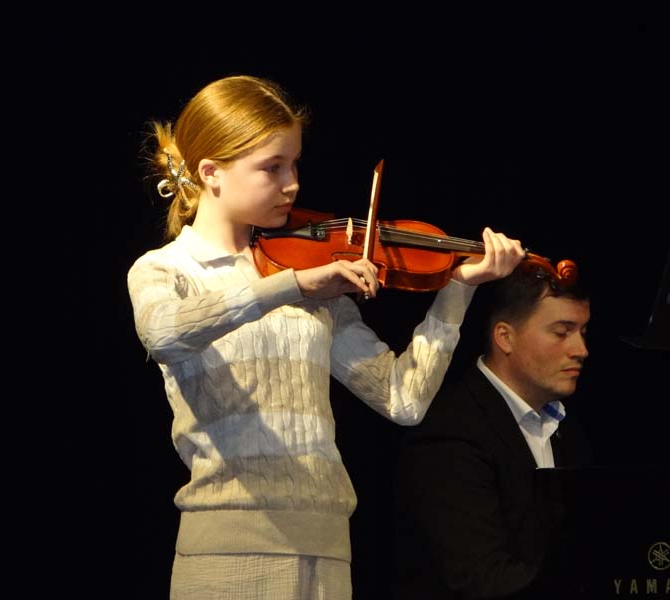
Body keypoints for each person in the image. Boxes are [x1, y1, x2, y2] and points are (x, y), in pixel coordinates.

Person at [127, 74, 525, 599]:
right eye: (272, 167)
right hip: (227, 554)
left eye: (295, 164)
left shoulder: (309, 275)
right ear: (211, 172)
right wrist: (291, 287)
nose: (292, 184)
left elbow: (403, 399)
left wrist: (457, 289)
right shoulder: (167, 270)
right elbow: (163, 333)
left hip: (328, 552)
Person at [393, 263, 593, 599]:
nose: (581, 350)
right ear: (505, 337)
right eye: (562, 332)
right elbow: (477, 577)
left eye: (583, 332)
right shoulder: (450, 430)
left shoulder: (569, 433)